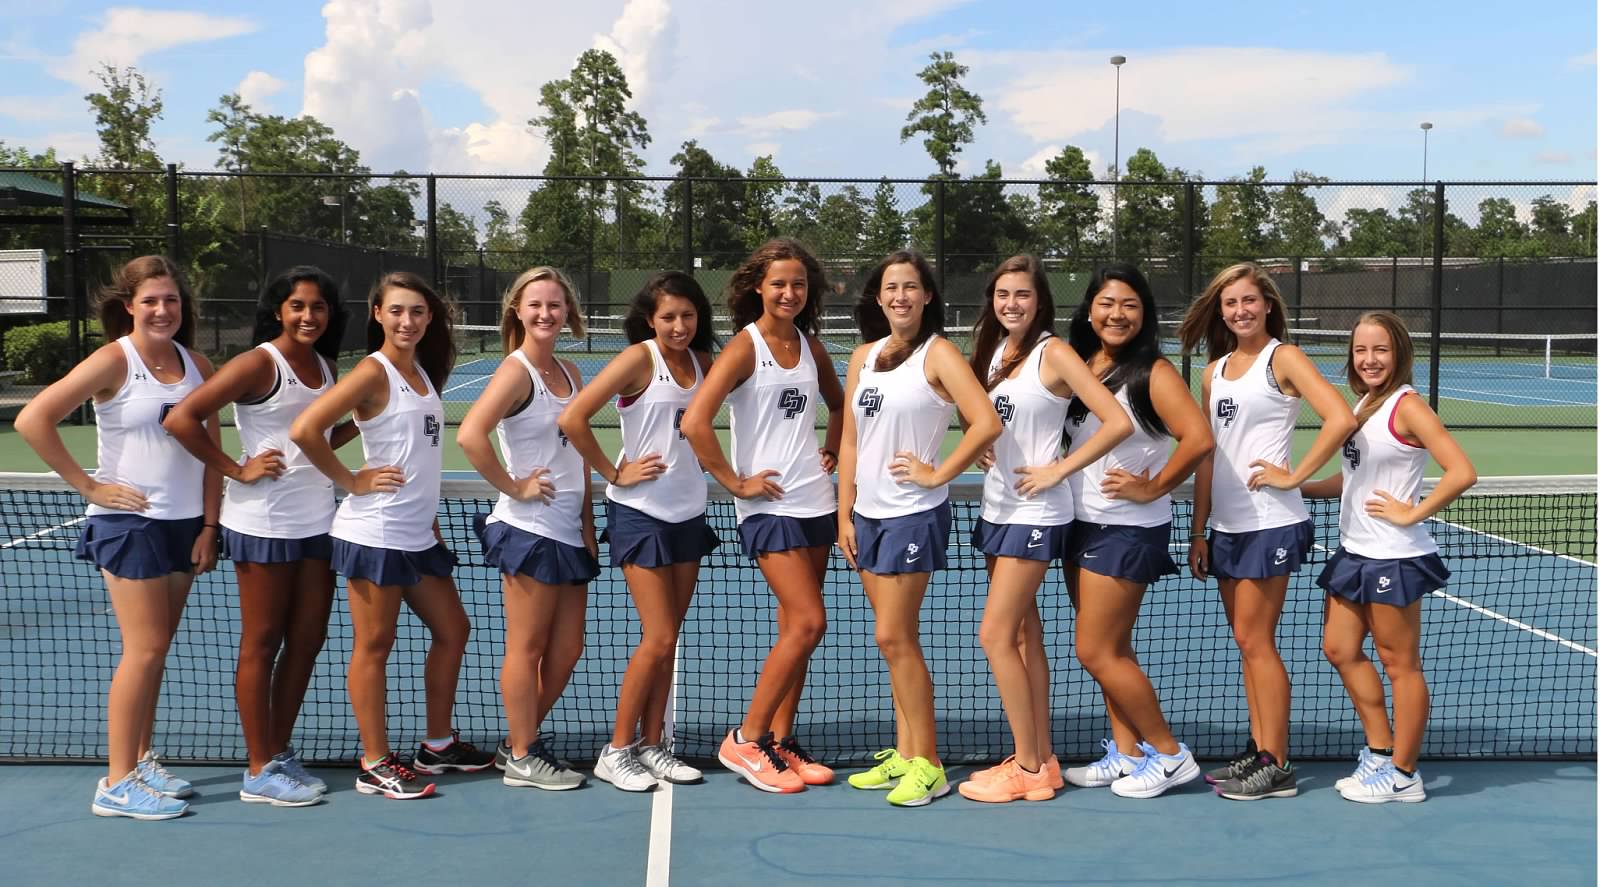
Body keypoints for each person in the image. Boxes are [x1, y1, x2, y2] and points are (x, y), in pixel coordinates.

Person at [16, 256, 221, 820]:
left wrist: (209, 525)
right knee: (145, 649)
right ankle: (115, 781)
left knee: (157, 653)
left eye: (171, 300)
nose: (162, 310)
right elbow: (33, 418)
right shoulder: (113, 360)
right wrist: (90, 485)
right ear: (129, 305)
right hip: (130, 525)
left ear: (183, 307)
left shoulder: (198, 364)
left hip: (184, 527)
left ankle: (140, 759)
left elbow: (209, 453)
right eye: (150, 300)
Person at [290, 271, 492, 800]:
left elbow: (411, 453)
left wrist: (429, 520)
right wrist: (350, 479)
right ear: (377, 313)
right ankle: (376, 762)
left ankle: (438, 745)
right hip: (373, 531)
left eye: (418, 312)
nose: (408, 321)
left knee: (453, 629)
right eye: (397, 311)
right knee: (375, 646)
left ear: (430, 319)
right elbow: (306, 430)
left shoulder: (422, 376)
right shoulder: (371, 372)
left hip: (417, 536)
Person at [165, 266, 350, 807]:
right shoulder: (256, 364)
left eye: (318, 307)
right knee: (263, 641)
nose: (308, 316)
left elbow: (318, 439)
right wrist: (233, 469)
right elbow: (183, 418)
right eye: (297, 306)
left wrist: (362, 420)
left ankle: (277, 748)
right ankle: (257, 767)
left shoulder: (327, 367)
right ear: (278, 311)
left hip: (317, 518)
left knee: (309, 640)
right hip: (262, 523)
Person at [1177, 261, 1357, 801]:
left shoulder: (1286, 358)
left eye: (1249, 301)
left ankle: (1276, 765)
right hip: (1228, 526)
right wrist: (1198, 529)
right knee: (1246, 642)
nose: (1240, 311)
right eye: (1230, 303)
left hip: (1271, 523)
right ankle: (1261, 751)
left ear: (1268, 305)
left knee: (1257, 641)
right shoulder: (1214, 371)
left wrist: (1295, 477)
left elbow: (1340, 418)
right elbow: (1207, 455)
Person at [956, 256, 1131, 804]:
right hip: (997, 508)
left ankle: (1027, 766)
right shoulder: (993, 355)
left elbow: (1116, 420)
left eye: (1023, 295)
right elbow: (986, 415)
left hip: (1036, 512)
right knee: (1026, 638)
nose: (1012, 303)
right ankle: (1043, 759)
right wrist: (978, 440)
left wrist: (1058, 468)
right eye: (1003, 294)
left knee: (995, 635)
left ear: (1040, 301)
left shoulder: (1053, 353)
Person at [838, 250, 1002, 807]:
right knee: (894, 643)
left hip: (914, 513)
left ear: (927, 296)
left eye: (911, 287)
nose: (900, 296)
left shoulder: (941, 354)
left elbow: (986, 422)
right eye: (891, 287)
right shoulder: (862, 356)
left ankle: (929, 763)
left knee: (893, 636)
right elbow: (851, 441)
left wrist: (939, 474)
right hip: (868, 515)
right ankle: (907, 754)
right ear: (879, 297)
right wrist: (845, 512)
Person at [681, 237, 843, 794]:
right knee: (808, 621)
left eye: (798, 284)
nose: (789, 292)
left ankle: (780, 738)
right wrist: (733, 483)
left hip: (815, 500)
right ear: (759, 287)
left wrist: (835, 449)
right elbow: (696, 423)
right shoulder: (744, 349)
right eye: (779, 283)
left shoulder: (811, 345)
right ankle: (747, 739)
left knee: (794, 627)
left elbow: (839, 405)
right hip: (767, 506)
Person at [1301, 312, 1475, 804]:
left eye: (1380, 350)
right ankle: (1379, 751)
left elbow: (1462, 471)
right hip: (1354, 551)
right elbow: (1351, 479)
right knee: (1339, 648)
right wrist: (1294, 487)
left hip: (1393, 557)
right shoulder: (1364, 404)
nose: (1370, 359)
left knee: (1402, 666)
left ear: (1398, 353)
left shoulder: (1407, 406)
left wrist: (1412, 512)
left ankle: (1403, 773)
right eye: (1361, 350)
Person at [1057, 263, 1213, 800]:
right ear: (1090, 309)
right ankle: (1127, 755)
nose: (1116, 314)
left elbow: (1197, 438)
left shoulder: (1155, 372)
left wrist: (1154, 488)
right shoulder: (1083, 365)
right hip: (1080, 522)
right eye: (1106, 303)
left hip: (1125, 529)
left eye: (1128, 305)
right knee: (1113, 647)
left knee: (1096, 651)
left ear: (1143, 314)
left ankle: (1169, 755)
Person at [560, 271, 718, 792]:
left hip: (688, 514)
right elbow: (574, 418)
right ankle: (617, 748)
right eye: (668, 316)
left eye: (688, 315)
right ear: (650, 319)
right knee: (659, 635)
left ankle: (653, 744)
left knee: (669, 640)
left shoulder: (703, 364)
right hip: (640, 515)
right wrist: (613, 471)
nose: (679, 325)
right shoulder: (638, 359)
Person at [458, 267, 597, 792]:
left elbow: (580, 449)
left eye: (555, 305)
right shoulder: (516, 372)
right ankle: (522, 753)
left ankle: (521, 737)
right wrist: (513, 486)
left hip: (567, 529)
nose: (545, 313)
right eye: (534, 304)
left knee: (568, 648)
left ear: (568, 312)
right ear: (517, 310)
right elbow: (472, 434)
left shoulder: (572, 371)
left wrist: (586, 521)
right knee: (528, 646)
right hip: (529, 529)